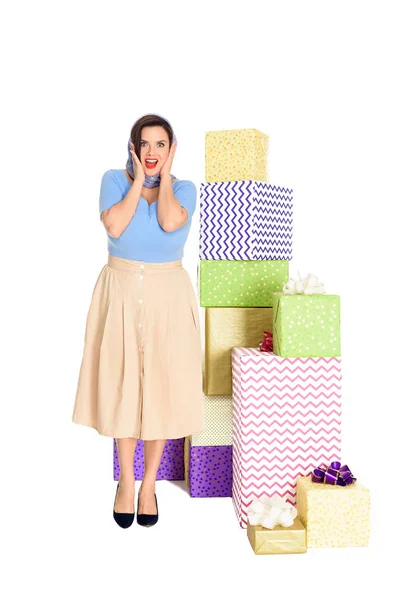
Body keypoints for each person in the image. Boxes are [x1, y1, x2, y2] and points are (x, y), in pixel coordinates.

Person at [72, 113, 205, 529]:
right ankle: (126, 483)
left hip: (168, 297)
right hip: (122, 294)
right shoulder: (113, 180)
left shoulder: (183, 189)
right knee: (123, 386)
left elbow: (169, 221)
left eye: (160, 145)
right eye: (144, 144)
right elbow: (114, 223)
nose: (151, 152)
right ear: (132, 147)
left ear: (171, 150)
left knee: (161, 390)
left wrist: (162, 178)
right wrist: (137, 182)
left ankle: (149, 485)